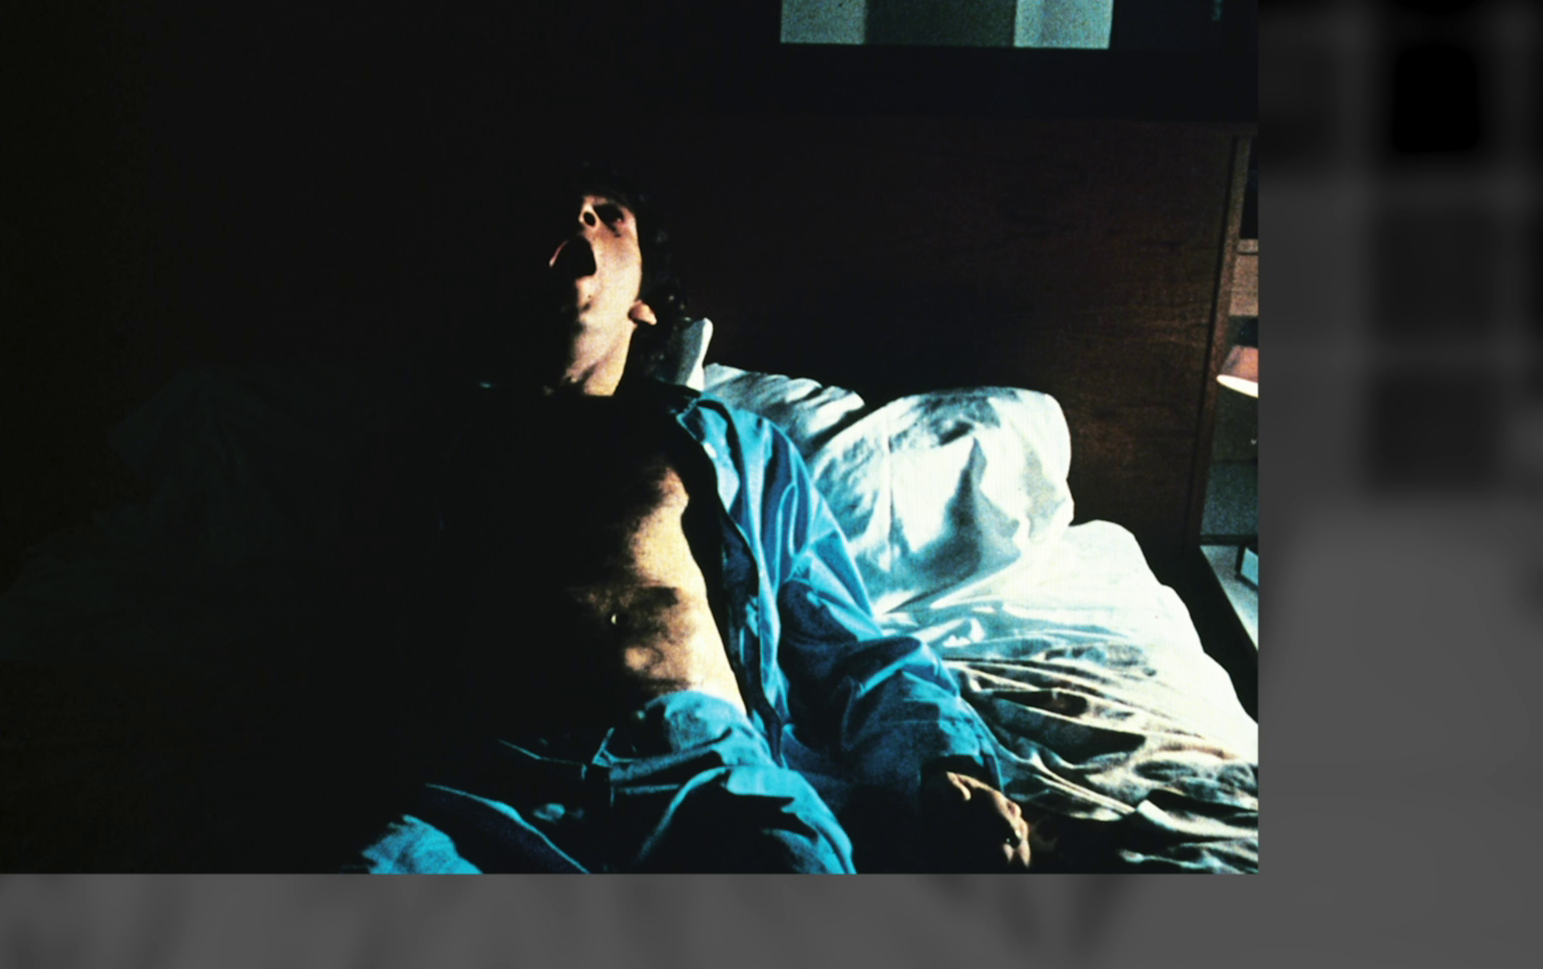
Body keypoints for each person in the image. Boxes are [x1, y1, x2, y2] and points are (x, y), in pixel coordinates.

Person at [338, 165, 1031, 873]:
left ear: (643, 305)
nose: (578, 215)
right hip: (482, 789)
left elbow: (846, 642)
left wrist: (943, 763)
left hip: (706, 771)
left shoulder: (739, 452)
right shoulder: (418, 456)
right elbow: (351, 651)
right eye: (553, 215)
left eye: (609, 213)